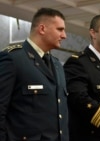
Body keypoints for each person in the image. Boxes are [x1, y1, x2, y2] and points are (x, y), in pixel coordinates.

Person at [0, 8, 68, 141]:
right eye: (60, 29)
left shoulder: (57, 65)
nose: (64, 35)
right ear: (42, 29)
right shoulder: (13, 59)